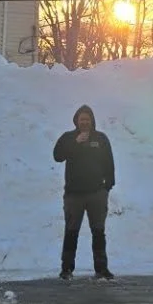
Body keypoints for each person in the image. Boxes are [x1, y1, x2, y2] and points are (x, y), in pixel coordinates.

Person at [53, 105, 115, 280]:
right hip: (74, 195)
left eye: (87, 119)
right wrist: (75, 143)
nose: (85, 122)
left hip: (97, 193)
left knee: (98, 232)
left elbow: (109, 163)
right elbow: (57, 156)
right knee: (71, 232)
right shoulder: (68, 138)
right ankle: (66, 270)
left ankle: (101, 269)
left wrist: (107, 186)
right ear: (76, 121)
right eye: (82, 120)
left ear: (92, 120)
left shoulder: (101, 139)